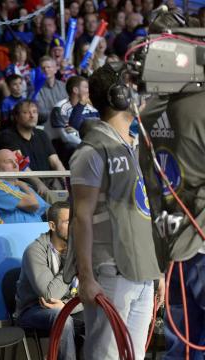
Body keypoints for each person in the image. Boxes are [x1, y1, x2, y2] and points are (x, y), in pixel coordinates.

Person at [66, 62, 163, 360]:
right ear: (120, 96)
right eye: (132, 87)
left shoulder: (132, 147)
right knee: (105, 356)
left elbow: (144, 214)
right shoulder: (91, 151)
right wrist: (85, 277)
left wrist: (158, 273)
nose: (139, 94)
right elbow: (81, 218)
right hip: (110, 271)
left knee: (132, 356)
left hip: (142, 271)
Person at [137, 8, 205, 358]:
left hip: (172, 245)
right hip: (200, 241)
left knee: (184, 345)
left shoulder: (149, 112)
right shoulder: (199, 106)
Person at [16, 202, 83, 360]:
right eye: (67, 222)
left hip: (68, 305)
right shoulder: (35, 251)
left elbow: (91, 293)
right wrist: (71, 264)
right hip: (33, 310)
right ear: (52, 225)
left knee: (102, 314)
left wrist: (67, 306)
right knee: (62, 318)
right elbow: (49, 294)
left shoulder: (80, 248)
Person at [46, 76, 99, 167]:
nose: (89, 90)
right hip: (59, 146)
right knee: (72, 146)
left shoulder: (91, 107)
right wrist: (90, 146)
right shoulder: (60, 108)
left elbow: (98, 128)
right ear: (75, 90)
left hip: (86, 142)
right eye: (86, 87)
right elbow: (66, 137)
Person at [0, 149, 49, 223]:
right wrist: (22, 185)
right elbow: (33, 204)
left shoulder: (21, 186)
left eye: (16, 161)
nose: (15, 165)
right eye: (9, 161)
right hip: (14, 233)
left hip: (38, 232)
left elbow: (43, 209)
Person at [35, 56, 67, 125]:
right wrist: (58, 113)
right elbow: (40, 112)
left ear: (55, 70)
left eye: (48, 67)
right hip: (45, 125)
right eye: (43, 68)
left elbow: (69, 106)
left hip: (65, 123)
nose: (46, 70)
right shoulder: (36, 89)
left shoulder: (64, 86)